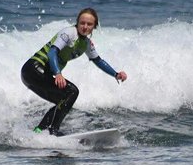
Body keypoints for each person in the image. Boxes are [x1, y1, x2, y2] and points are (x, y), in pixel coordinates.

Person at [21, 7, 127, 136]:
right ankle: (53, 131)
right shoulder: (68, 33)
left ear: (94, 27)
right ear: (77, 22)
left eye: (89, 24)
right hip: (33, 69)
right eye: (82, 23)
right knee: (72, 92)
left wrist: (116, 74)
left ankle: (38, 131)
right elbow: (53, 51)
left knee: (64, 102)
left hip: (41, 74)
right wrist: (58, 73)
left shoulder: (86, 43)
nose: (85, 27)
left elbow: (98, 60)